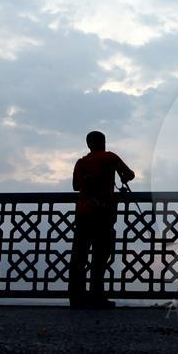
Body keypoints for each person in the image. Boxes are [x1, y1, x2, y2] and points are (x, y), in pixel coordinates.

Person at [69, 131, 135, 309]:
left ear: (88, 145)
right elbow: (129, 175)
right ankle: (97, 297)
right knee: (99, 257)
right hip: (103, 214)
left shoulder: (81, 163)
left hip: (83, 214)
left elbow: (76, 186)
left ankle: (76, 298)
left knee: (79, 257)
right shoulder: (110, 157)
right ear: (104, 142)